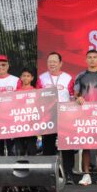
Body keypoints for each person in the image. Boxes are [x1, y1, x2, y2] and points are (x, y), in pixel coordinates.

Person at [74, 50, 97, 186]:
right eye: (89, 57)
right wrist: (78, 98)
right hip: (85, 114)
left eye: (95, 57)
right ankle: (86, 175)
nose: (92, 59)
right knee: (86, 144)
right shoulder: (80, 76)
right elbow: (76, 93)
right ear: (86, 60)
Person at [37, 51, 75, 183]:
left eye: (54, 61)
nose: (52, 64)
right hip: (48, 117)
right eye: (49, 61)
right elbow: (38, 98)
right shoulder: (42, 78)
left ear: (60, 63)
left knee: (67, 146)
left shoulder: (68, 78)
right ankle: (49, 174)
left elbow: (72, 97)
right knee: (48, 146)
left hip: (65, 117)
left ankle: (68, 173)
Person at [0, 54, 21, 157]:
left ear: (8, 65)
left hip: (12, 119)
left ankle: (14, 166)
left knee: (13, 149)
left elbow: (21, 100)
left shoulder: (16, 80)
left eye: (3, 64)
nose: (1, 67)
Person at [15, 68, 38, 156]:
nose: (26, 78)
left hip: (32, 126)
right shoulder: (15, 92)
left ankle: (32, 165)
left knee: (32, 150)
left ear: (32, 78)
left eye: (28, 76)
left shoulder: (36, 92)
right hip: (19, 126)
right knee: (19, 151)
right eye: (24, 76)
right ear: (20, 77)